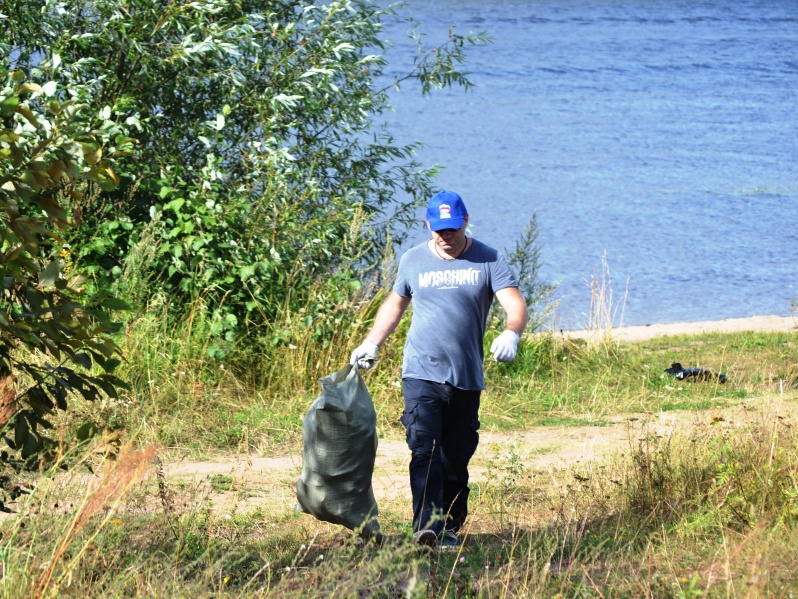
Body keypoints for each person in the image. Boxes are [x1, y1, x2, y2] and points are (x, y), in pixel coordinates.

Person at [350, 190, 528, 548]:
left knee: (456, 455)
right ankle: (426, 528)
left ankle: (448, 524)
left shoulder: (489, 259)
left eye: (453, 229)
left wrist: (512, 333)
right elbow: (395, 304)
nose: (446, 237)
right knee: (424, 448)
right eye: (439, 230)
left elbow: (515, 303)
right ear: (428, 225)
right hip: (420, 371)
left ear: (465, 221)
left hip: (466, 375)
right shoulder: (413, 259)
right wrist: (372, 342)